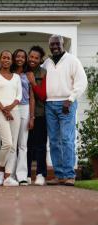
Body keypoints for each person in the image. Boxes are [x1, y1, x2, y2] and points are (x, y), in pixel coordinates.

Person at [43, 34, 88, 186]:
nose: (55, 47)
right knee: (54, 141)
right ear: (49, 46)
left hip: (66, 103)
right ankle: (59, 175)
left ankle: (69, 175)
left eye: (58, 44)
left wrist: (70, 99)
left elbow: (82, 82)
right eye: (52, 44)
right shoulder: (47, 63)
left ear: (63, 44)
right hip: (50, 104)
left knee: (67, 139)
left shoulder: (72, 60)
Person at [0, 50, 22, 186]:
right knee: (7, 143)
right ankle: (1, 169)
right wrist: (4, 109)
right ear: (0, 59)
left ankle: (8, 178)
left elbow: (19, 96)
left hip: (15, 111)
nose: (6, 60)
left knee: (13, 146)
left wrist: (10, 108)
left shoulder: (16, 77)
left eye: (9, 58)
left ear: (11, 60)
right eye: (4, 57)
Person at [11, 49, 35, 186]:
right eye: (17, 56)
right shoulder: (9, 74)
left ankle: (22, 176)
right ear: (14, 58)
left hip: (25, 108)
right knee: (12, 143)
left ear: (25, 59)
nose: (20, 58)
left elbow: (32, 97)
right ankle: (11, 174)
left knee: (23, 144)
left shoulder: (29, 74)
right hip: (12, 108)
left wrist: (32, 117)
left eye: (22, 56)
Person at [26, 46, 47, 186]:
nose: (33, 60)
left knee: (40, 145)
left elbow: (43, 96)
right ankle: (25, 174)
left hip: (40, 114)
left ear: (40, 60)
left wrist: (33, 82)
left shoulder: (44, 73)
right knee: (25, 146)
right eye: (31, 56)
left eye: (36, 58)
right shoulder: (21, 70)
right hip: (21, 114)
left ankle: (40, 174)